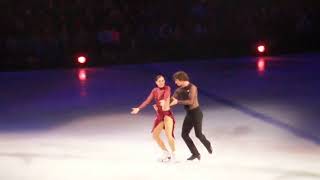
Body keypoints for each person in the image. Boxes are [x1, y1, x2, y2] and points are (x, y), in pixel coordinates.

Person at [131, 75, 176, 162]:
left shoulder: (167, 88)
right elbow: (147, 100)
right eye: (159, 81)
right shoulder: (154, 90)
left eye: (163, 80)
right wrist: (138, 108)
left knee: (168, 135)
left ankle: (174, 155)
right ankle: (166, 153)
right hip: (160, 115)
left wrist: (165, 101)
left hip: (167, 115)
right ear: (156, 82)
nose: (162, 82)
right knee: (155, 135)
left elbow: (167, 95)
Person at [170, 71, 212, 161]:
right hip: (189, 114)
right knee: (184, 134)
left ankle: (208, 144)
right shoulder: (178, 90)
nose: (175, 82)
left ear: (182, 79)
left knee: (198, 135)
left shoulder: (193, 87)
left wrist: (177, 102)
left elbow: (190, 101)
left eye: (176, 80)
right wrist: (164, 104)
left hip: (196, 113)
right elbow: (172, 99)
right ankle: (195, 153)